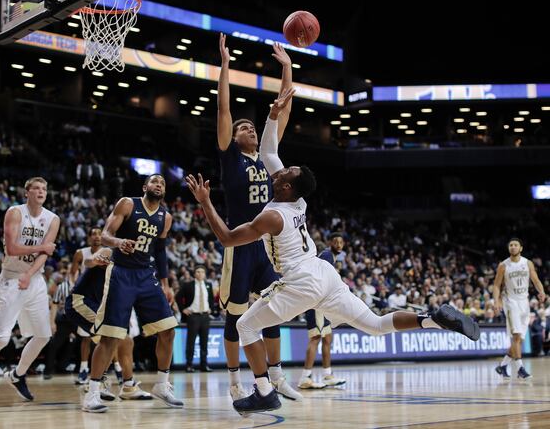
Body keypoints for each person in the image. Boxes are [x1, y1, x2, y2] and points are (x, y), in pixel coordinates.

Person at [185, 88, 480, 415]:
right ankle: (432, 320)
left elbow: (226, 238)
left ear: (284, 186)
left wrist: (205, 202)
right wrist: (272, 114)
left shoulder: (271, 215)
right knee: (376, 325)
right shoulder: (298, 199)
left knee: (245, 326)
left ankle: (264, 390)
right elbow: (269, 149)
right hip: (324, 274)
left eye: (284, 172)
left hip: (302, 279)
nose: (279, 169)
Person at [217, 33, 300, 401]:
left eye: (252, 126)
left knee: (274, 310)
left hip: (266, 245)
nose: (249, 128)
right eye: (243, 127)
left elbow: (282, 109)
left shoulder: (269, 160)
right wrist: (224, 66)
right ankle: (235, 381)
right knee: (235, 317)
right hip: (240, 244)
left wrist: (287, 68)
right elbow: (223, 111)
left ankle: (277, 377)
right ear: (234, 138)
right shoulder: (231, 158)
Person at [81, 173, 182, 413]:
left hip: (147, 276)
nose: (159, 184)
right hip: (121, 274)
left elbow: (160, 252)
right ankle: (92, 393)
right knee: (111, 337)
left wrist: (166, 284)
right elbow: (105, 235)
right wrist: (118, 243)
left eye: (163, 183)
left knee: (168, 329)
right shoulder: (127, 203)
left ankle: (162, 384)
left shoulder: (165, 217)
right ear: (146, 186)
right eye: (155, 181)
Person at [0, 176, 59, 404]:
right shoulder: (15, 212)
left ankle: (17, 375)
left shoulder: (53, 219)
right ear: (26, 192)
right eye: (36, 188)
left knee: (43, 335)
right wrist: (40, 249)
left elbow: (45, 255)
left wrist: (30, 273)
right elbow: (12, 248)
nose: (40, 192)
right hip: (12, 278)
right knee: (1, 338)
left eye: (44, 189)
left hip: (34, 279)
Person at [66, 247, 152, 404]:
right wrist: (94, 260)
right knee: (111, 338)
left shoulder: (134, 265)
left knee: (126, 341)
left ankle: (128, 386)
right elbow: (88, 261)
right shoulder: (109, 252)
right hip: (80, 302)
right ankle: (95, 387)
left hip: (101, 306)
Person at [298, 233, 346, 389]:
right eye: (336, 242)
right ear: (330, 242)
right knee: (316, 338)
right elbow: (319, 279)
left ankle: (327, 375)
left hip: (323, 302)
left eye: (341, 242)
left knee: (327, 339)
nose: (339, 245)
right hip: (317, 302)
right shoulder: (326, 255)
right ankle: (305, 377)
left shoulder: (331, 257)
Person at [493, 238, 546, 379]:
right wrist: (496, 301)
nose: (513, 247)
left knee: (520, 340)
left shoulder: (527, 263)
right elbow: (497, 285)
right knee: (516, 336)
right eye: (510, 245)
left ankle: (503, 366)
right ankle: (520, 369)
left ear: (520, 248)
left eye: (515, 245)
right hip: (511, 302)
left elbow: (535, 279)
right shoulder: (503, 265)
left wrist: (542, 291)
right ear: (508, 248)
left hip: (524, 303)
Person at [69, 227, 104, 385]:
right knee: (86, 337)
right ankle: (83, 369)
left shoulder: (108, 252)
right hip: (85, 297)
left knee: (106, 335)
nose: (97, 236)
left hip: (101, 297)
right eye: (94, 234)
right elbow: (72, 273)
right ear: (89, 237)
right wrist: (74, 286)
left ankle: (115, 368)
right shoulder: (81, 253)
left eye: (99, 233)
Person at [176, 265, 218, 373]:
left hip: (205, 316)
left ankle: (204, 365)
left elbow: (211, 299)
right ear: (195, 274)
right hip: (193, 316)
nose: (200, 274)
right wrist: (183, 309)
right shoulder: (188, 285)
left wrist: (211, 309)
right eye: (198, 272)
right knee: (191, 342)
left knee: (204, 343)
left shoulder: (208, 285)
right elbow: (178, 297)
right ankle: (189, 365)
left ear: (205, 274)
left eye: (202, 272)